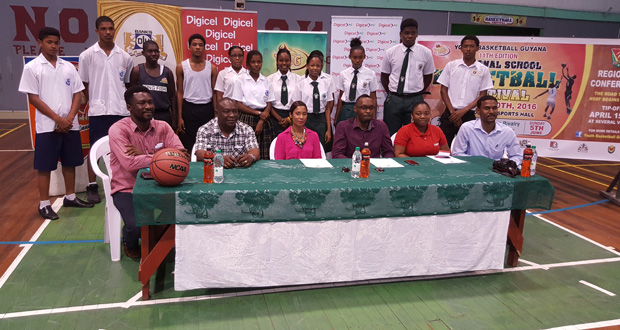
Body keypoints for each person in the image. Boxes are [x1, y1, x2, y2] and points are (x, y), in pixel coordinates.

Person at [19, 26, 93, 219]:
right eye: (49, 42)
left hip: (70, 124)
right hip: (47, 126)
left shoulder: (68, 67)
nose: (53, 46)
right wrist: (58, 119)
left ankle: (70, 196)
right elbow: (33, 98)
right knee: (45, 166)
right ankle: (44, 204)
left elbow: (78, 93)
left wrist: (69, 118)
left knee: (70, 163)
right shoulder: (32, 68)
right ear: (40, 43)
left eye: (56, 42)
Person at [108, 85, 184, 259]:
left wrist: (145, 155)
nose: (148, 106)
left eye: (150, 102)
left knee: (182, 212)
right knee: (136, 225)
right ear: (129, 107)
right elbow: (129, 163)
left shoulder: (162, 126)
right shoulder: (118, 130)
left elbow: (180, 153)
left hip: (161, 184)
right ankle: (129, 240)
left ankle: (156, 236)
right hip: (128, 188)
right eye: (142, 103)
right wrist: (163, 156)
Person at [79, 15, 134, 204]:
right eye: (103, 29)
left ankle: (123, 184)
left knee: (123, 149)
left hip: (120, 111)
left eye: (111, 28)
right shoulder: (87, 56)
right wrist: (95, 100)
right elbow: (84, 84)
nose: (108, 32)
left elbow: (126, 83)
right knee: (95, 149)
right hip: (98, 111)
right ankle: (92, 185)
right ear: (96, 31)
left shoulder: (125, 57)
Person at [380, 18, 435, 135]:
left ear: (417, 34)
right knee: (390, 133)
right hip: (394, 99)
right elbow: (384, 77)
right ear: (401, 34)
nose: (410, 36)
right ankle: (391, 154)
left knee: (414, 133)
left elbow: (428, 76)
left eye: (413, 33)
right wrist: (392, 93)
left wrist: (417, 92)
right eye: (406, 33)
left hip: (415, 99)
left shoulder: (426, 52)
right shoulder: (391, 52)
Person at [437, 35, 493, 147]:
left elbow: (483, 95)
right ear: (461, 48)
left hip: (468, 115)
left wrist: (463, 111)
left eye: (471, 46)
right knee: (443, 147)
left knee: (467, 148)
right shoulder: (451, 66)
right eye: (465, 46)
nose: (468, 49)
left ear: (477, 48)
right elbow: (443, 90)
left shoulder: (483, 70)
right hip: (449, 113)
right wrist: (453, 113)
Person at [176, 33, 218, 151]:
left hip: (207, 108)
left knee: (207, 142)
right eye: (194, 44)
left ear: (204, 48)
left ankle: (206, 167)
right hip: (189, 108)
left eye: (200, 45)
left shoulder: (212, 68)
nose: (198, 47)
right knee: (188, 143)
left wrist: (216, 114)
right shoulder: (181, 67)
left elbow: (214, 93)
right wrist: (179, 117)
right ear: (189, 47)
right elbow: (179, 92)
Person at [231, 50, 275, 160]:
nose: (256, 65)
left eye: (259, 62)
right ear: (247, 64)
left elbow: (269, 102)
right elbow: (238, 104)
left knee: (264, 152)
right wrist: (259, 113)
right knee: (245, 151)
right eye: (253, 62)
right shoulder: (240, 80)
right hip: (246, 117)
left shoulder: (266, 81)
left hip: (264, 119)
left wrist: (262, 118)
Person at [452, 95, 522, 164]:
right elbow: (457, 154)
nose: (491, 112)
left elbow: (517, 156)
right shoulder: (467, 128)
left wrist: (505, 165)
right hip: (471, 169)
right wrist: (475, 162)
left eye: (494, 108)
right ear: (478, 111)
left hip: (496, 171)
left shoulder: (507, 131)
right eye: (487, 108)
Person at [194, 98, 260, 168]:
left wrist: (251, 157)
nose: (232, 115)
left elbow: (254, 150)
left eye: (235, 111)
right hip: (214, 172)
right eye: (226, 111)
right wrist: (218, 159)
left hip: (240, 173)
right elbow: (200, 153)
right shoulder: (205, 130)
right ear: (217, 113)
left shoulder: (246, 129)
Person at [293, 51, 334, 153]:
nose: (315, 68)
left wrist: (328, 129)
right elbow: (295, 108)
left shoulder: (325, 83)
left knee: (320, 150)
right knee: (305, 149)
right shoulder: (301, 85)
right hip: (306, 120)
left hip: (321, 121)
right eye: (312, 65)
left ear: (321, 67)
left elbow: (327, 108)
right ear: (307, 66)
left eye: (318, 66)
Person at [129, 40, 176, 129]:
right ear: (143, 53)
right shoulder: (137, 71)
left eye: (156, 51)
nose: (154, 54)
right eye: (150, 51)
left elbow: (173, 97)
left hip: (164, 116)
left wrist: (174, 120)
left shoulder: (167, 72)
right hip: (143, 116)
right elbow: (132, 97)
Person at [332, 95, 394, 159]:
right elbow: (337, 154)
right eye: (364, 108)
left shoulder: (381, 126)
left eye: (371, 108)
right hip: (350, 166)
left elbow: (388, 151)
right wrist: (355, 164)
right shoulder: (343, 127)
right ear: (355, 109)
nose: (368, 111)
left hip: (374, 167)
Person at [334, 38, 379, 126]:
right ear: (350, 56)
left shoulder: (370, 74)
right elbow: (341, 97)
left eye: (360, 57)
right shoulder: (343, 74)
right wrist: (337, 116)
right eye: (354, 57)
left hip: (364, 109)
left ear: (364, 57)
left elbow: (373, 98)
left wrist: (374, 118)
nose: (357, 60)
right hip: (347, 109)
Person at [267, 48, 302, 136]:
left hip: (293, 116)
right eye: (281, 60)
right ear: (277, 62)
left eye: (287, 60)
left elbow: (300, 102)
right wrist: (279, 118)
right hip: (274, 116)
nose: (284, 63)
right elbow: (267, 102)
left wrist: (289, 119)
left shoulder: (299, 79)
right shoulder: (269, 80)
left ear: (290, 62)